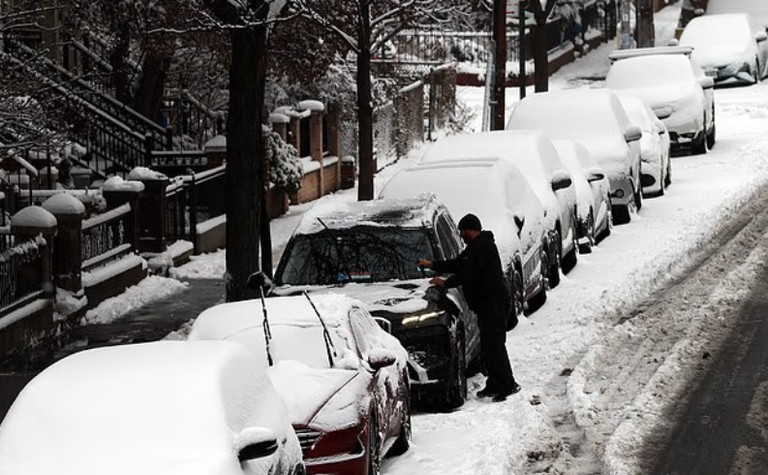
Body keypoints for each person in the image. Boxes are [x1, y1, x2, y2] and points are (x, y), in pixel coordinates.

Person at [417, 213, 521, 402]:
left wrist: (445, 283)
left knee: (496, 346)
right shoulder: (475, 248)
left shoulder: (483, 248)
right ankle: (495, 382)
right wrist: (432, 265)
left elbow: (468, 274)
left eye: (463, 231)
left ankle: (508, 384)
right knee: (489, 346)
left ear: (471, 230)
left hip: (494, 304)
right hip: (486, 305)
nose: (461, 235)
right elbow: (458, 264)